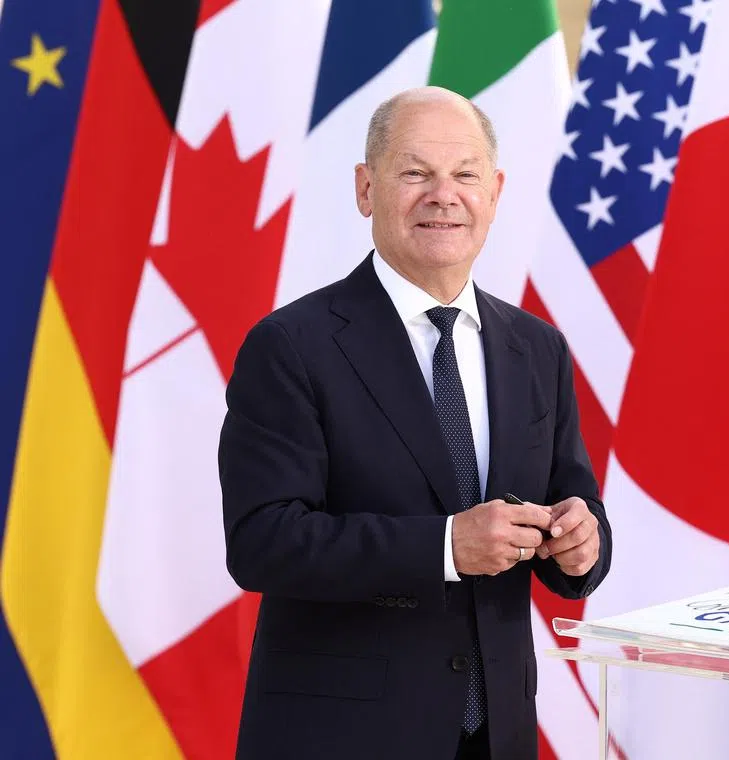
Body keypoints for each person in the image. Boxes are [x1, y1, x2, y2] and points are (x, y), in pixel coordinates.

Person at [218, 86, 612, 760]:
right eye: (415, 173)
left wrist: (583, 544)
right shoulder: (291, 346)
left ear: (494, 191)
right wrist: (445, 549)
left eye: (465, 174)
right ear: (366, 188)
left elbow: (574, 502)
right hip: (341, 741)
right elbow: (262, 542)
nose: (443, 194)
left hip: (497, 737)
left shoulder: (536, 349)